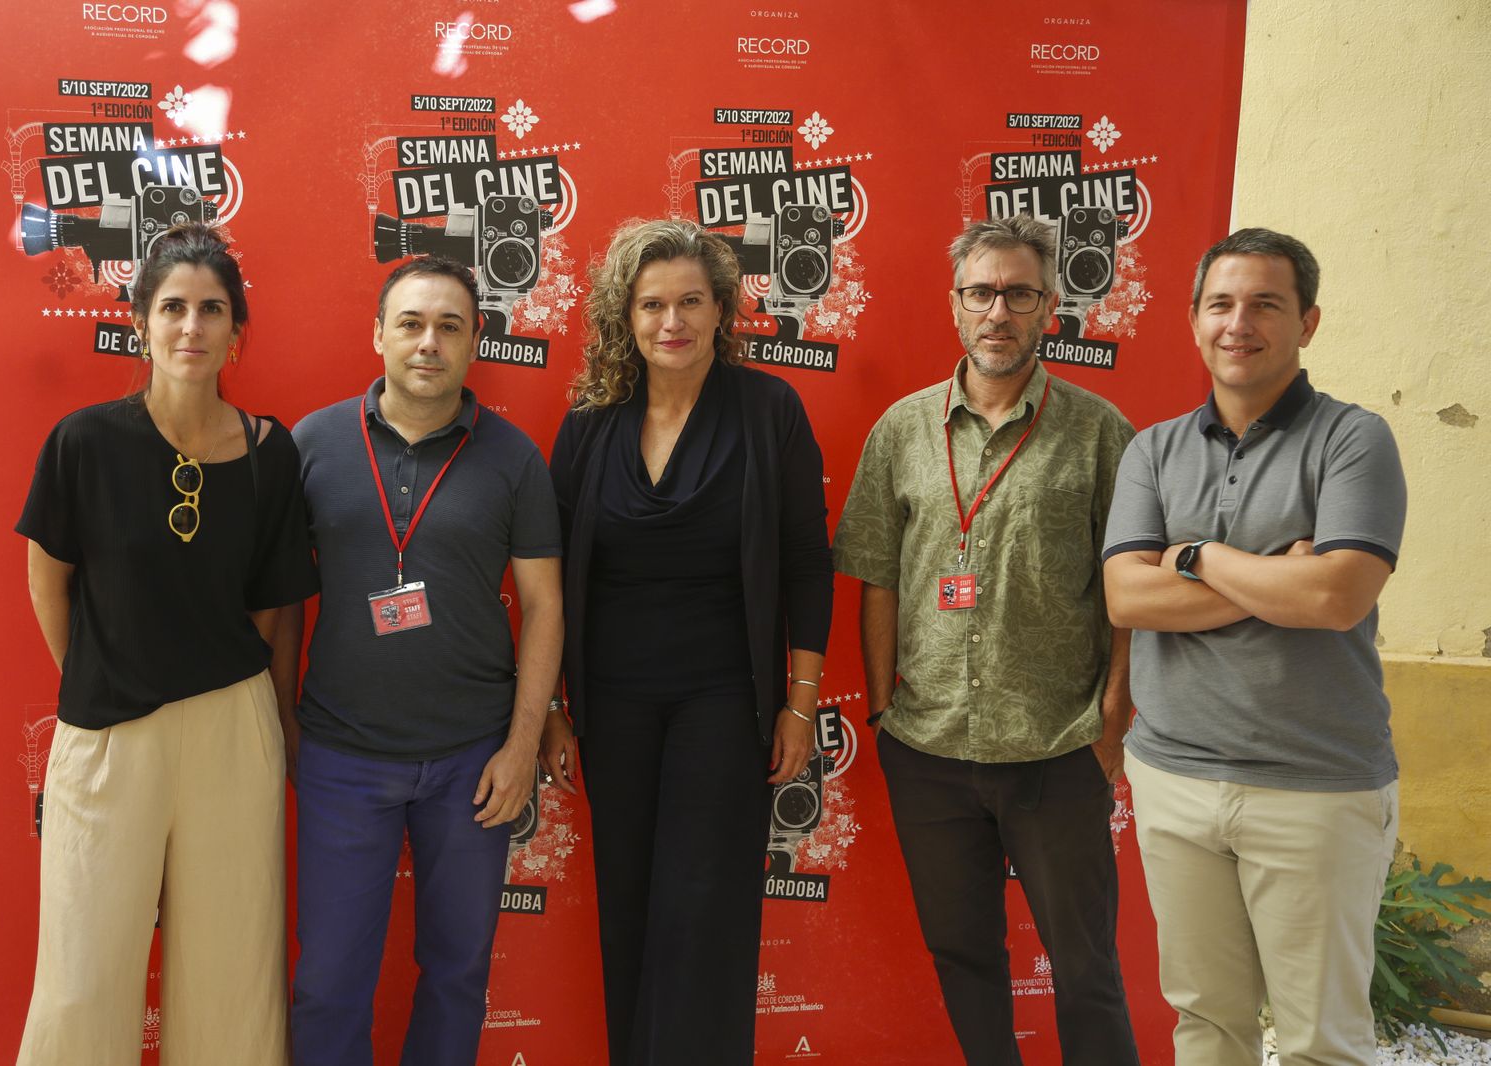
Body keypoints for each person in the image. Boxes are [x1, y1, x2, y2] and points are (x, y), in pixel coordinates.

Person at [832, 214, 1141, 1065]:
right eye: (981, 292)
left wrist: (1112, 712)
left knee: (1086, 967)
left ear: (1049, 308)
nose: (997, 310)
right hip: (927, 749)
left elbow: (1130, 588)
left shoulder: (1098, 430)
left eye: (1018, 293)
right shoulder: (903, 429)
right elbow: (876, 575)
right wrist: (885, 705)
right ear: (955, 307)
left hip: (1057, 746)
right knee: (964, 955)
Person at [15, 222, 318, 1065]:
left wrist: (239, 696)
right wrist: (96, 676)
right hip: (108, 733)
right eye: (174, 307)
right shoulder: (84, 441)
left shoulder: (270, 452)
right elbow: (49, 579)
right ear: (142, 319)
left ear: (236, 330)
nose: (192, 327)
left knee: (232, 973)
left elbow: (272, 607)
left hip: (233, 731)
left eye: (212, 310)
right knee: (83, 972)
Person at [1102, 228, 1406, 1066]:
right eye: (1221, 304)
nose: (1241, 323)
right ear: (1194, 321)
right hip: (1174, 778)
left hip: (1314, 789)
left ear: (1308, 322)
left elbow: (1334, 596)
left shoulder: (1354, 440)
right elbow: (1127, 595)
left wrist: (1197, 558)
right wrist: (1272, 577)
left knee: (1321, 1041)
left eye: (1266, 304)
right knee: (1207, 1024)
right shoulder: (1153, 450)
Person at [541, 218, 833, 1066]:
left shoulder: (770, 409)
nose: (673, 321)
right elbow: (548, 581)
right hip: (613, 703)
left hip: (723, 699)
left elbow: (808, 565)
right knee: (629, 904)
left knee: (703, 910)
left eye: (691, 302)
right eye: (652, 305)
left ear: (721, 308)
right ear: (624, 318)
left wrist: (800, 703)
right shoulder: (591, 423)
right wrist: (556, 709)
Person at [282, 254, 563, 1066]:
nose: (428, 342)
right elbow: (277, 605)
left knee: (456, 973)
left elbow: (545, 607)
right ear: (377, 336)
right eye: (410, 323)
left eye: (450, 325)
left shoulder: (515, 459)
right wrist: (281, 722)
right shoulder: (312, 444)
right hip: (340, 754)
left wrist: (519, 747)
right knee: (329, 980)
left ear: (477, 340)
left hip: (473, 762)